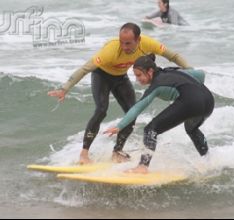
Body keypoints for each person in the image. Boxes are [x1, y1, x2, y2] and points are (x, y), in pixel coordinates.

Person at [48, 23, 192, 165]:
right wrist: (65, 89)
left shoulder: (148, 44)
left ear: (138, 40)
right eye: (122, 42)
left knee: (132, 113)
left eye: (128, 43)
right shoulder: (110, 50)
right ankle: (84, 154)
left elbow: (173, 56)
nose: (124, 47)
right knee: (101, 110)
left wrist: (190, 71)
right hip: (101, 76)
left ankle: (117, 152)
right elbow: (85, 69)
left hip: (120, 77)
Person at [104, 54, 214, 174]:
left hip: (190, 103)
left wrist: (119, 126)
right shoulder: (173, 72)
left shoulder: (157, 85)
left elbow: (137, 108)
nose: (137, 79)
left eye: (139, 75)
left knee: (150, 129)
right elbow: (201, 74)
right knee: (191, 129)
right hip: (208, 101)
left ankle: (143, 166)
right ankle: (208, 161)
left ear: (150, 72)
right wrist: (194, 88)